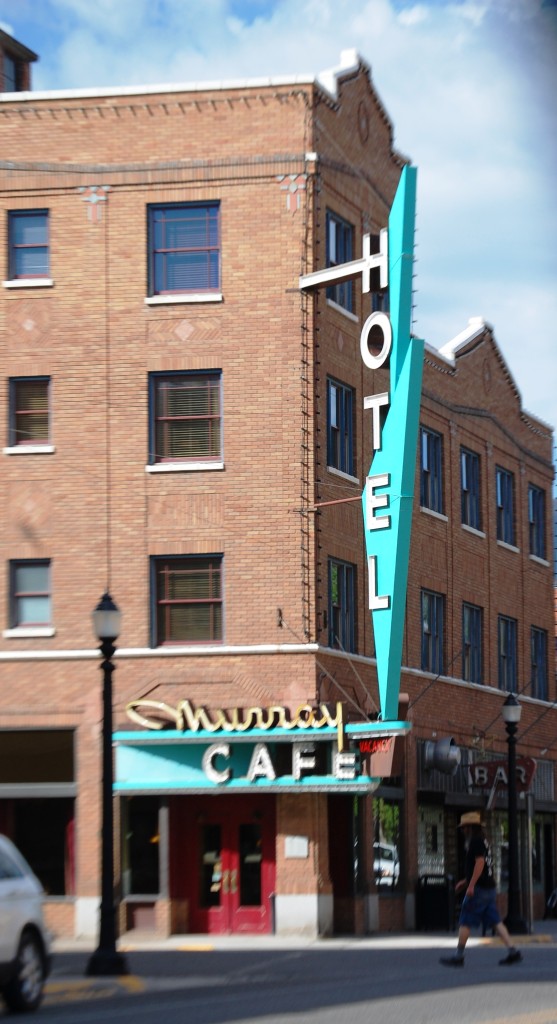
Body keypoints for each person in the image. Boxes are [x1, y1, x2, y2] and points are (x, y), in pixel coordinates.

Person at [440, 811, 523, 967]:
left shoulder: (476, 842)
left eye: (464, 828)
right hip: (489, 888)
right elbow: (482, 867)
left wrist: (470, 885)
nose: (463, 831)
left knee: (465, 920)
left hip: (479, 890)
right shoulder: (484, 841)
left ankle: (458, 956)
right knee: (496, 922)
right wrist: (466, 881)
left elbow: (480, 864)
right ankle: (513, 951)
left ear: (470, 828)